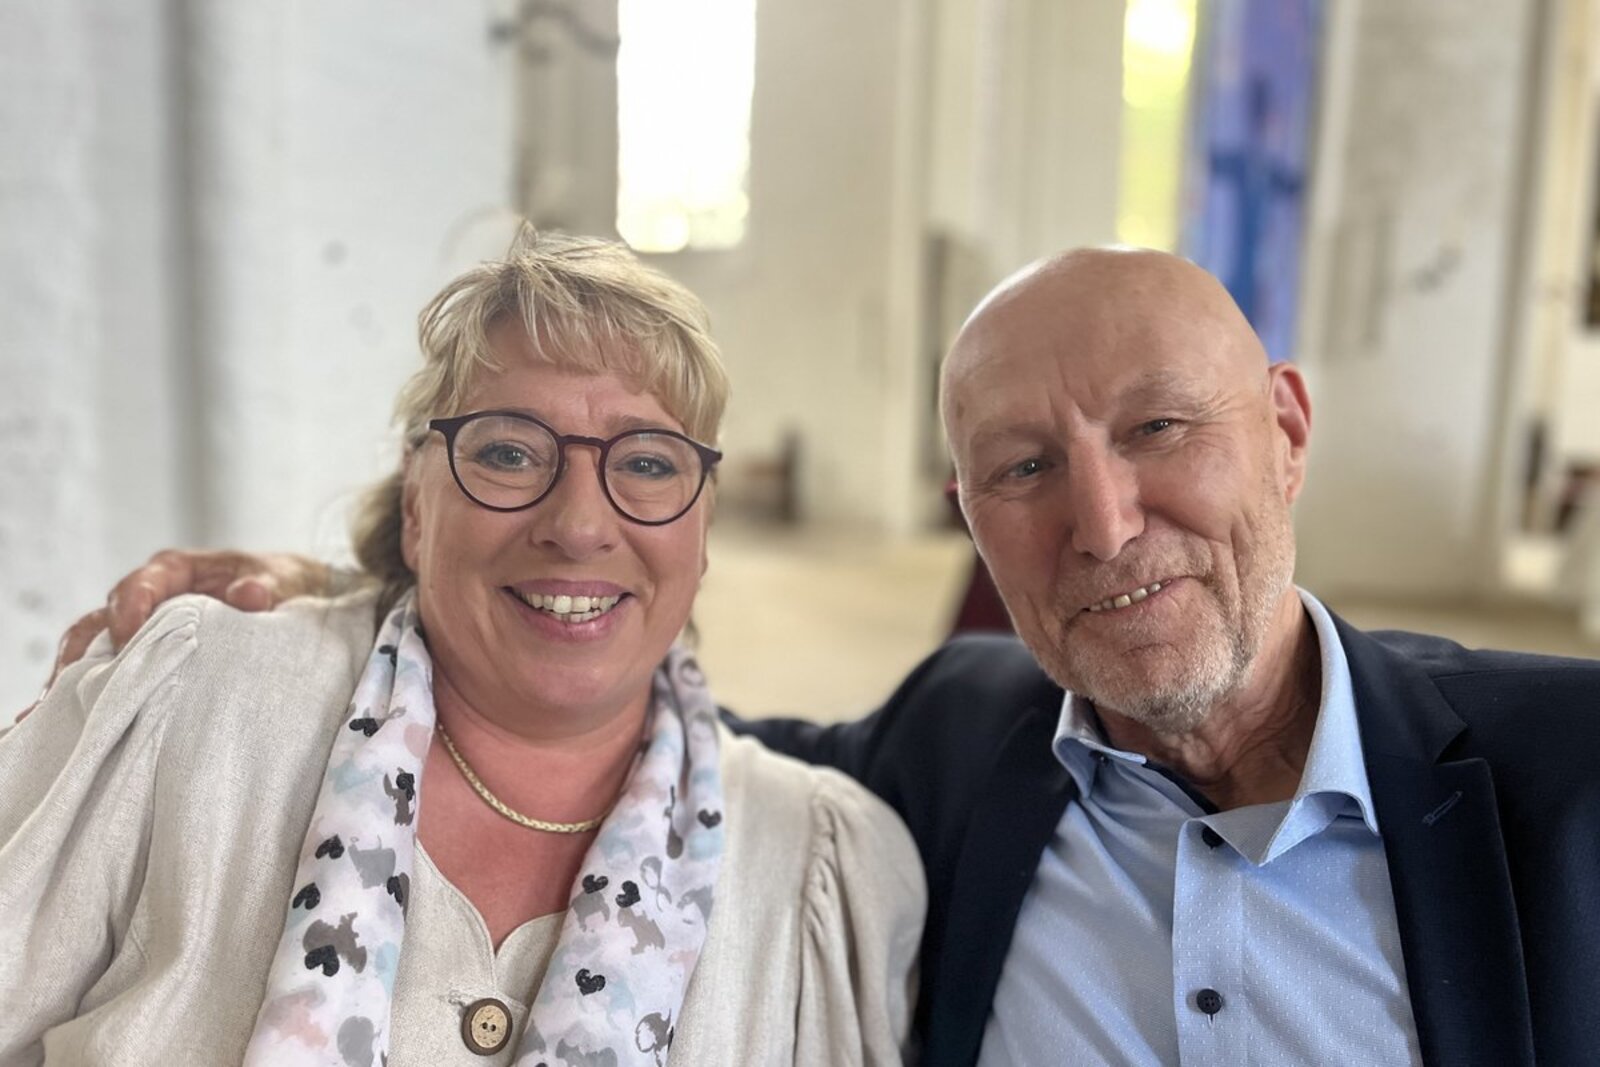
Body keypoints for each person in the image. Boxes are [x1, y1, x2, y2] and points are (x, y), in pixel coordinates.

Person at [38, 248, 1600, 1066]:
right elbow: (591, 687)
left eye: (1161, 427)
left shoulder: (1571, 775)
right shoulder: (944, 752)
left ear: (1289, 430)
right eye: (1025, 466)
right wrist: (356, 587)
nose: (1107, 520)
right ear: (970, 521)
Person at [0, 230, 923, 1066]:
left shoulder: (821, 869)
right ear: (416, 504)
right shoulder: (193, 703)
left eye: (647, 462)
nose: (579, 525)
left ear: (702, 531)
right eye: (510, 453)